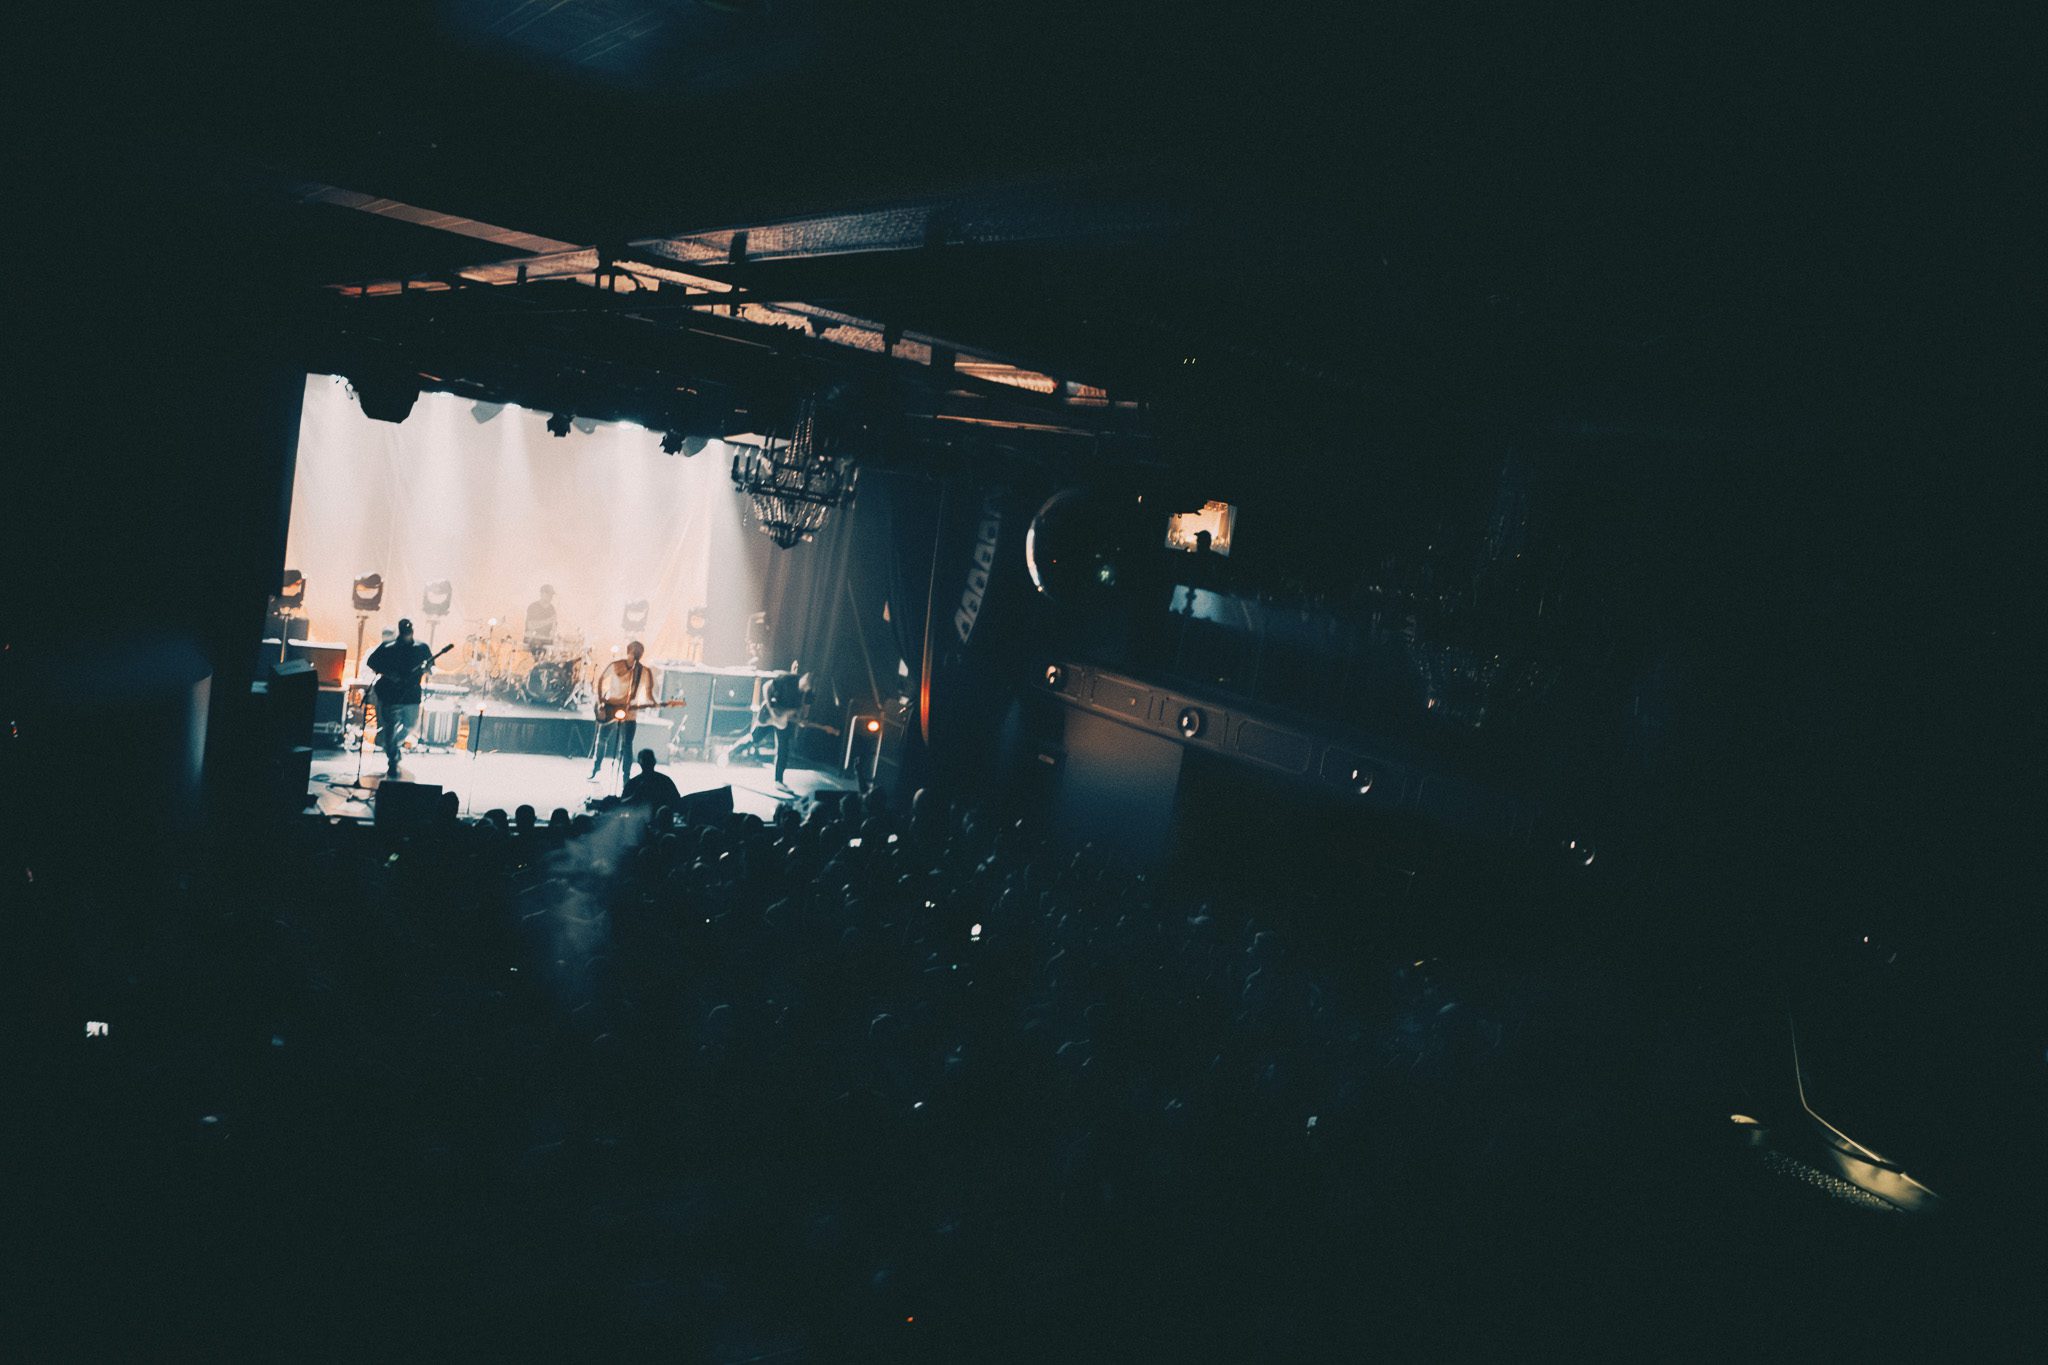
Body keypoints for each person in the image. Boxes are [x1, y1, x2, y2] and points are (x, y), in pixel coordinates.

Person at [721, 660, 811, 788]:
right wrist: (770, 706)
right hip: (768, 713)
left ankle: (778, 781)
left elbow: (801, 709)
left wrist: (801, 719)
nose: (805, 689)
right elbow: (766, 686)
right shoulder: (789, 679)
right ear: (804, 678)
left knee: (783, 748)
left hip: (782, 720)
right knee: (754, 738)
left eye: (807, 688)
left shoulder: (805, 693)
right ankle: (729, 753)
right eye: (805, 685)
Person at [366, 617, 436, 778]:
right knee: (390, 728)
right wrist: (389, 674)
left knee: (411, 725)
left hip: (411, 695)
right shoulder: (388, 647)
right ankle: (392, 759)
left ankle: (392, 747)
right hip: (391, 693)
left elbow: (431, 669)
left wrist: (426, 669)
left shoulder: (422, 647)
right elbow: (372, 662)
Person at [590, 640, 657, 788]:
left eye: (639, 652)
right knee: (602, 740)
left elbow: (649, 692)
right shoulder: (616, 665)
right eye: (634, 651)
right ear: (629, 651)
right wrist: (601, 700)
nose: (636, 654)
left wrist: (653, 703)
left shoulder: (644, 672)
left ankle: (626, 777)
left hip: (630, 713)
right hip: (610, 707)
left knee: (627, 745)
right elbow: (601, 680)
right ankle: (596, 768)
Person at [524, 585, 558, 651]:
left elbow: (553, 628)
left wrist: (554, 631)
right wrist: (549, 621)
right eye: (548, 594)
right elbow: (530, 626)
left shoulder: (552, 609)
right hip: (532, 642)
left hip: (546, 643)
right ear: (542, 594)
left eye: (551, 595)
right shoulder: (533, 607)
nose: (550, 597)